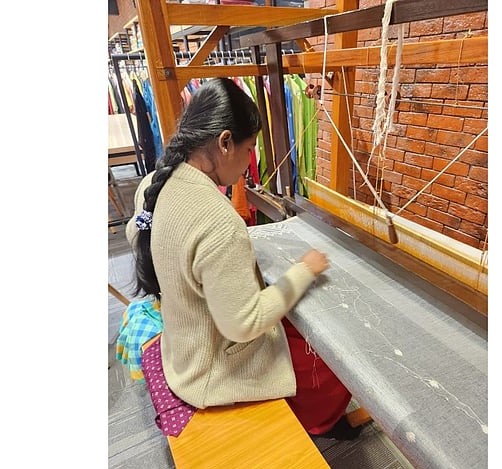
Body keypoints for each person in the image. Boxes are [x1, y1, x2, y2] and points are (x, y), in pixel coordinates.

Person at [126, 77, 360, 439]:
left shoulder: (155, 182)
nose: (250, 161)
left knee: (296, 330)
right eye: (249, 147)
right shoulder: (218, 219)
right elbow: (243, 324)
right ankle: (320, 425)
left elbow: (138, 233)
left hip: (184, 348)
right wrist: (304, 270)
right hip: (209, 373)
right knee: (333, 356)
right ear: (224, 142)